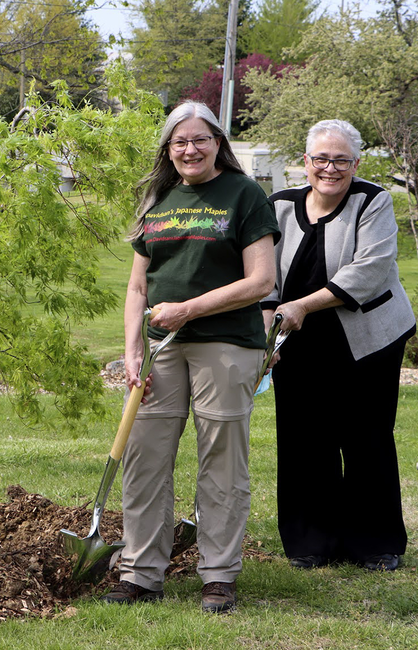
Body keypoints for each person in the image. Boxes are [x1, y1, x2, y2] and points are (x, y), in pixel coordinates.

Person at [103, 101, 278, 614]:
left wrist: (189, 309)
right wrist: (132, 348)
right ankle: (141, 573)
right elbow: (138, 287)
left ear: (218, 143)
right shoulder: (158, 197)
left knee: (221, 460)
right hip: (160, 347)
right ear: (168, 149)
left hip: (226, 342)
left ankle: (218, 575)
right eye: (179, 141)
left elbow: (261, 281)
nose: (190, 149)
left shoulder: (244, 194)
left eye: (200, 139)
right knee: (144, 455)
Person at [263, 119, 415, 572]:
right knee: (303, 440)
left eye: (341, 160)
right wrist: (266, 335)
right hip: (297, 341)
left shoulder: (372, 200)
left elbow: (369, 269)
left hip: (368, 340)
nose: (330, 168)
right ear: (306, 161)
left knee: (367, 438)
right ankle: (311, 543)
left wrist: (303, 305)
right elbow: (263, 275)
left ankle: (374, 544)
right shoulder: (280, 205)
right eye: (321, 159)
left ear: (356, 163)